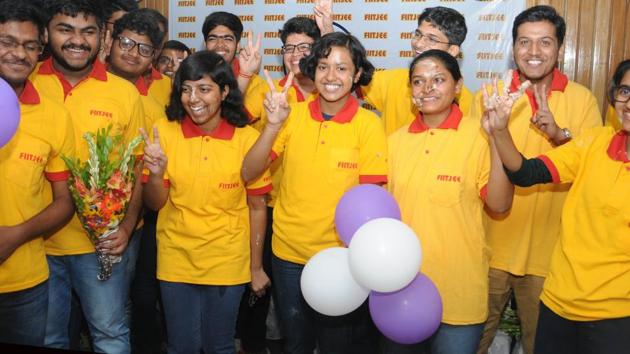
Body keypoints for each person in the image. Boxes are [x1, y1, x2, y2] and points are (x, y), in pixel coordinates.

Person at [242, 32, 387, 354]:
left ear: (357, 74)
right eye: (323, 67)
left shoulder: (368, 124)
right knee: (296, 344)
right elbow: (249, 172)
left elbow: (371, 200)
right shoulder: (291, 117)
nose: (331, 77)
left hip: (341, 259)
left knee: (337, 345)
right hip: (288, 254)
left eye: (341, 68)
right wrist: (272, 125)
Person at [475, 6, 602, 354]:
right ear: (513, 47)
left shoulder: (582, 100)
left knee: (541, 347)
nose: (533, 52)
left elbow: (594, 171)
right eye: (524, 42)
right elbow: (474, 168)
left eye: (544, 42)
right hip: (489, 249)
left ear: (560, 48)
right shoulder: (491, 96)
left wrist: (559, 134)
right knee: (474, 343)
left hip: (551, 257)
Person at [485, 58, 630, 354]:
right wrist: (499, 130)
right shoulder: (595, 141)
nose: (629, 102)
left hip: (616, 316)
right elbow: (527, 173)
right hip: (557, 304)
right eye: (626, 91)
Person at [30, 1, 145, 352]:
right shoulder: (25, 84)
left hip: (99, 246)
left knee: (109, 334)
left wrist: (125, 228)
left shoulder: (123, 92)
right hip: (34, 244)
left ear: (104, 37)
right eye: (66, 29)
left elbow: (137, 167)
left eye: (88, 31)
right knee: (48, 338)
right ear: (47, 33)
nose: (77, 40)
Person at [141, 50, 272, 354]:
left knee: (219, 345)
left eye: (204, 88)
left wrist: (255, 268)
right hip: (176, 258)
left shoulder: (247, 138)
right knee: (181, 345)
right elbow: (155, 203)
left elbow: (256, 208)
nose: (193, 98)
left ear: (225, 91)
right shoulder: (165, 131)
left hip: (227, 260)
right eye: (185, 89)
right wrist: (157, 174)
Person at [385, 49, 514, 354]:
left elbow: (499, 204)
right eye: (418, 81)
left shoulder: (479, 136)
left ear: (458, 86)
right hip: (402, 291)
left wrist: (496, 138)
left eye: (438, 79)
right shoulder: (394, 141)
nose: (427, 88)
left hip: (458, 293)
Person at [236, 16, 323, 354]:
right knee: (264, 290)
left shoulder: (333, 88)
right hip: (270, 206)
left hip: (320, 215)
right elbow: (230, 121)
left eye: (305, 47)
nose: (296, 54)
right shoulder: (266, 88)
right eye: (289, 48)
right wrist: (243, 76)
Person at [0, 1, 75, 347]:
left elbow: (65, 201)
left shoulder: (55, 115)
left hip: (25, 282)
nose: (19, 53)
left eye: (30, 45)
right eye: (7, 41)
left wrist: (17, 235)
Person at [106, 9, 169, 353]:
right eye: (126, 43)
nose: (132, 53)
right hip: (83, 211)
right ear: (110, 41)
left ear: (154, 57)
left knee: (136, 294)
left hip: (144, 211)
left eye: (143, 49)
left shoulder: (164, 90)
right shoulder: (90, 86)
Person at [359, 6, 473, 135]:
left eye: (432, 39)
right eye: (418, 35)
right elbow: (346, 75)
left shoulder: (468, 104)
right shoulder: (393, 80)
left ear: (452, 50)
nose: (418, 44)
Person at [202, 11, 264, 97]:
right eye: (212, 39)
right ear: (205, 45)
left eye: (227, 39)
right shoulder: (194, 77)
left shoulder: (256, 84)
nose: (220, 44)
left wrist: (245, 75)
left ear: (238, 46)